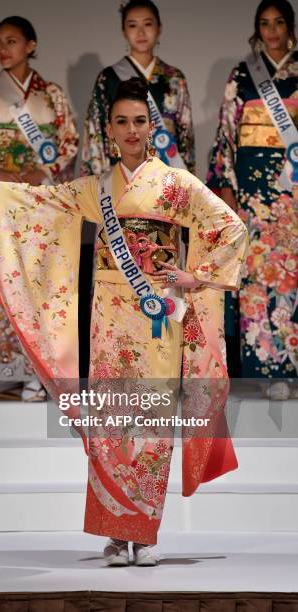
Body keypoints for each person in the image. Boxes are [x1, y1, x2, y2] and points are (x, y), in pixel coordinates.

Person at [0, 78, 248, 566]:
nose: (132, 129)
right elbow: (40, 202)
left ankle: (145, 533)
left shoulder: (177, 185)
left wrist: (194, 275)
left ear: (151, 126)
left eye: (140, 121)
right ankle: (118, 535)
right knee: (112, 424)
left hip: (156, 317)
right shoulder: (97, 187)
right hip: (108, 319)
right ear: (109, 129)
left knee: (150, 421)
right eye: (122, 121)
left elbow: (230, 226)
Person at [0, 15, 79, 401]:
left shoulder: (52, 96)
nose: (3, 49)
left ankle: (36, 374)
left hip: (36, 201)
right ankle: (0, 372)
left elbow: (69, 143)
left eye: (11, 41)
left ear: (31, 44)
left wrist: (41, 171)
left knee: (35, 283)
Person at [207, 0, 298, 400]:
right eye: (265, 23)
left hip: (293, 186)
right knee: (259, 276)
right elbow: (227, 129)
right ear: (257, 28)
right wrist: (225, 183)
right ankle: (266, 368)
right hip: (254, 189)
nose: (272, 30)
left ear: (290, 26)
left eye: (279, 22)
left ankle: (292, 366)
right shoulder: (243, 74)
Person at [81, 0, 195, 176]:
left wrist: (186, 180)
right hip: (121, 172)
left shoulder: (174, 78)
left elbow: (185, 136)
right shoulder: (108, 78)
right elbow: (96, 133)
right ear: (124, 31)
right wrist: (98, 180)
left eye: (148, 24)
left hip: (166, 173)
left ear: (159, 28)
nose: (141, 32)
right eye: (133, 25)